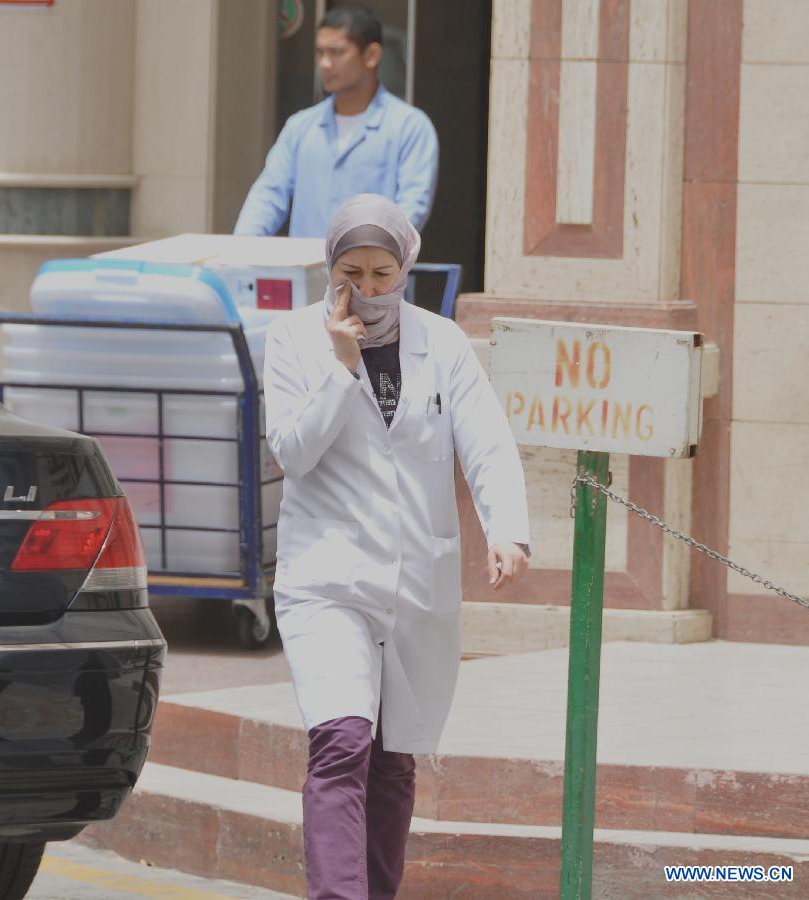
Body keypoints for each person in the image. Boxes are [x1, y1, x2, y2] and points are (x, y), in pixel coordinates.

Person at [263, 194, 530, 899]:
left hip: (416, 577)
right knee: (343, 742)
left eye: (383, 273)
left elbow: (485, 440)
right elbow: (292, 451)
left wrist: (506, 528)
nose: (369, 288)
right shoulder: (292, 340)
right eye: (353, 271)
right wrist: (340, 366)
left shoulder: (442, 343)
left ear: (405, 266)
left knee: (393, 760)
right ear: (331, 267)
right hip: (326, 578)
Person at [234, 5, 439, 238]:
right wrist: (242, 247)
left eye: (337, 52)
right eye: (320, 52)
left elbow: (411, 209)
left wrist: (367, 258)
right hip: (307, 271)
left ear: (371, 55)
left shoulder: (409, 127)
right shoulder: (300, 127)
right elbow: (269, 195)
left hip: (372, 272)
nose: (325, 64)